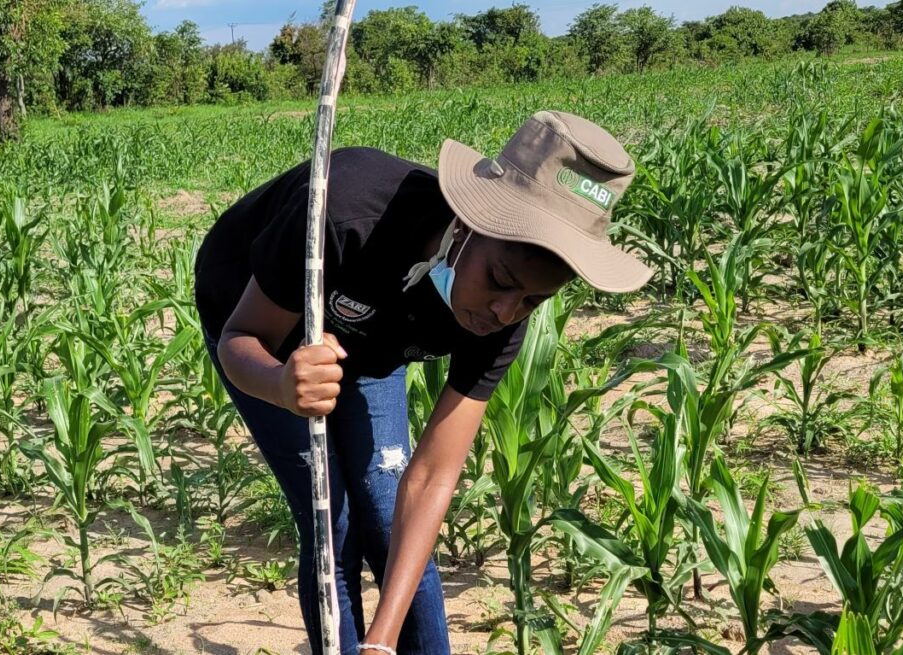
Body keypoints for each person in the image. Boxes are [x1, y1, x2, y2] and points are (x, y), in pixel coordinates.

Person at [194, 110, 652, 655]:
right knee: (332, 524)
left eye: (532, 300)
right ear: (466, 224)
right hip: (264, 322)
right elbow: (240, 337)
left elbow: (433, 474)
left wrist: (382, 642)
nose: (505, 312)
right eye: (500, 282)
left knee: (390, 522)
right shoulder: (345, 216)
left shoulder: (505, 312)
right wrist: (279, 384)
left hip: (374, 333)